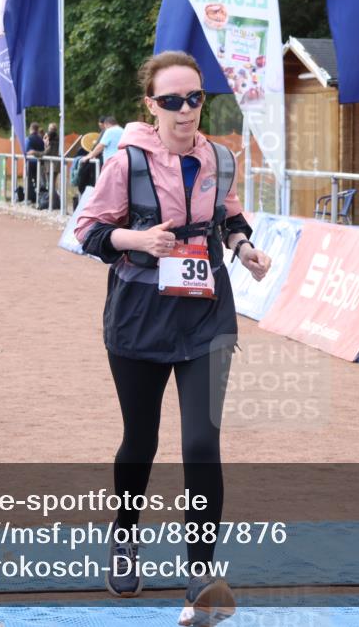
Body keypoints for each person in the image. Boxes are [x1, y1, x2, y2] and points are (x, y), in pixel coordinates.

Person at [75, 50, 271, 626]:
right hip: (139, 316)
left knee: (201, 444)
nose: (185, 110)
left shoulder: (219, 158)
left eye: (194, 98)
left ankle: (202, 576)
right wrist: (137, 241)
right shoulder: (127, 161)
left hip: (206, 315)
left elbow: (228, 218)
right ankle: (124, 537)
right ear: (151, 106)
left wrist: (244, 248)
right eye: (171, 101)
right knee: (141, 441)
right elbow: (88, 230)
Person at [24, 122, 45, 204]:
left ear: (31, 128)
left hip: (30, 162)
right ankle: (39, 197)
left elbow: (25, 151)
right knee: (38, 181)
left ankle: (30, 197)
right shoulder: (41, 139)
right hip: (40, 163)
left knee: (29, 180)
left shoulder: (28, 139)